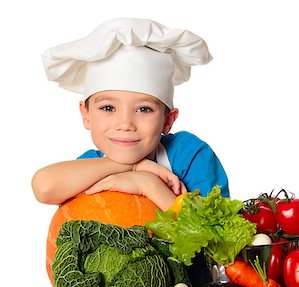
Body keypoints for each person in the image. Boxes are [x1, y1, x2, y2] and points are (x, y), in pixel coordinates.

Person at [32, 18, 229, 211]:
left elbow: (214, 237)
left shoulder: (188, 154)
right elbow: (44, 187)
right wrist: (133, 167)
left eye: (144, 109)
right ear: (86, 115)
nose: (125, 124)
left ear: (168, 120)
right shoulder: (90, 164)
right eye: (108, 108)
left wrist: (149, 186)